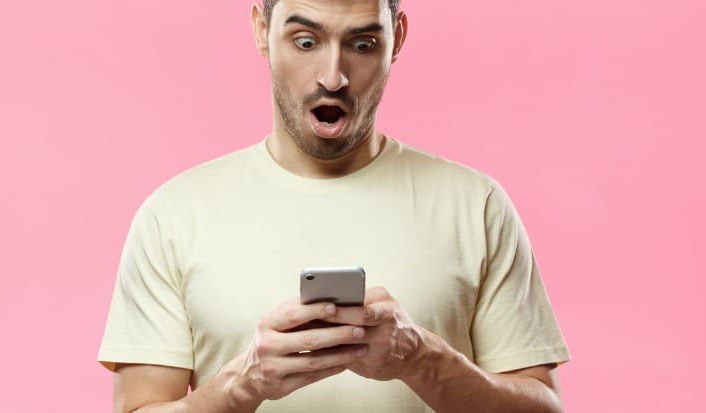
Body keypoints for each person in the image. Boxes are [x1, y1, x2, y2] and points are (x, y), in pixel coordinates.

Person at [98, 0, 571, 412]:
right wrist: (243, 384)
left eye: (362, 44)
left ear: (397, 39)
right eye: (305, 41)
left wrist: (423, 359)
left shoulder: (477, 205)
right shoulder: (174, 215)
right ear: (263, 31)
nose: (333, 76)